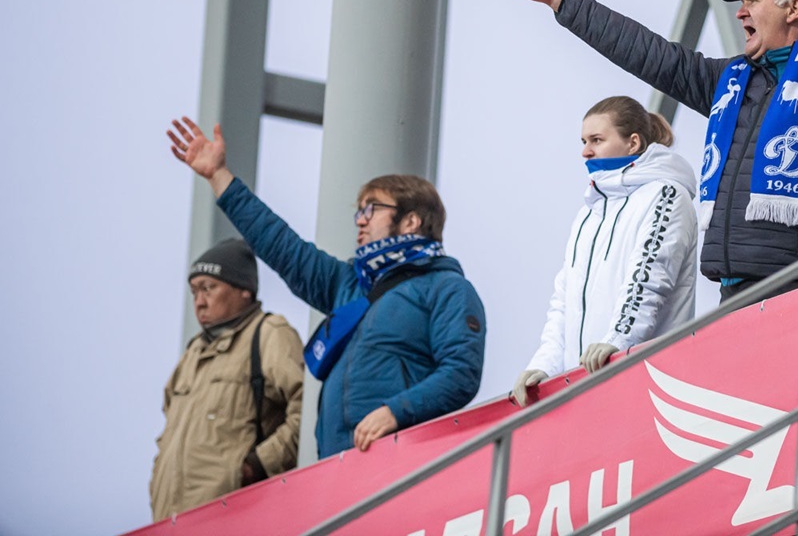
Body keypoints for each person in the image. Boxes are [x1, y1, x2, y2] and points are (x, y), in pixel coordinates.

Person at [490, 0, 798, 303]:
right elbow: (651, 55)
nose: (740, 12)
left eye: (753, 1)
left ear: (793, 9)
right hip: (734, 295)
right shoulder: (732, 83)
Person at [166, 117, 486, 457]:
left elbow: (461, 373)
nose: (360, 220)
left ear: (410, 221)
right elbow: (281, 245)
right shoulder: (349, 284)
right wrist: (219, 177)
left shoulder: (447, 289)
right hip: (337, 467)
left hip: (403, 462)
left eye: (371, 209)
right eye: (359, 211)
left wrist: (396, 411)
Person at [513, 96, 699, 406]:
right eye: (584, 141)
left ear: (633, 143)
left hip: (645, 382)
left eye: (597, 140)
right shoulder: (590, 211)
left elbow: (649, 280)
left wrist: (617, 343)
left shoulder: (667, 195)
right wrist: (544, 365)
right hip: (586, 388)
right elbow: (565, 298)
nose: (585, 151)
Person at [150, 239, 303, 521]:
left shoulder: (269, 333)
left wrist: (256, 465)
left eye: (208, 288)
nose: (199, 301)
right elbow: (166, 437)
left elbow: (306, 409)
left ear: (244, 289)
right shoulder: (193, 353)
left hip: (233, 517)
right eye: (194, 291)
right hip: (168, 522)